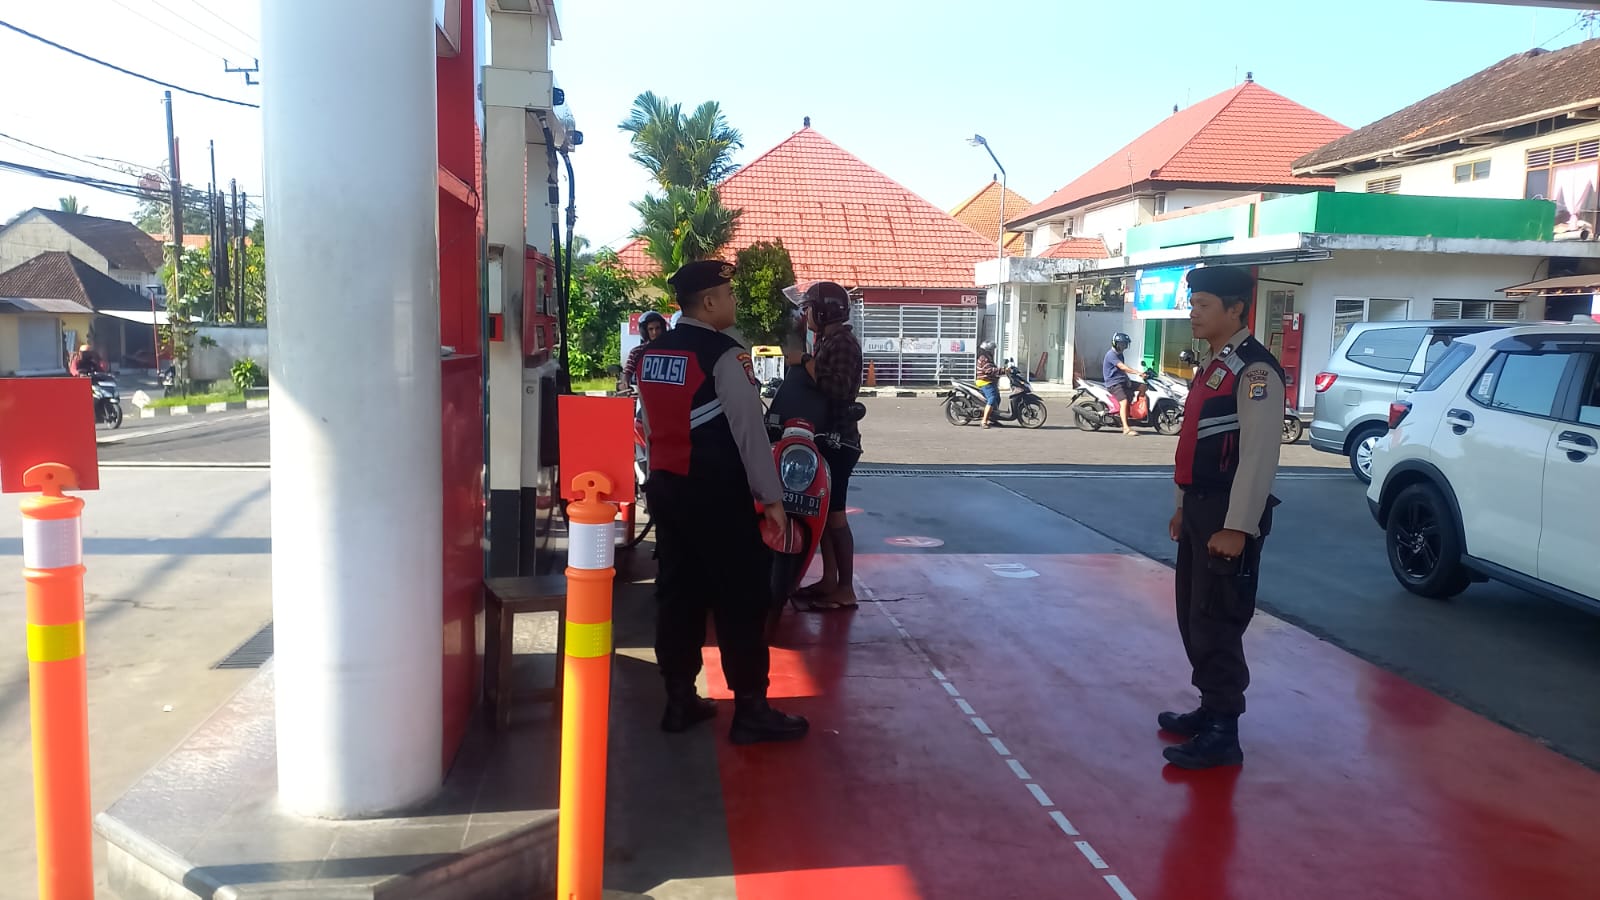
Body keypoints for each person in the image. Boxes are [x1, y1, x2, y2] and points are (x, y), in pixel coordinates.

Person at [637, 259, 810, 745]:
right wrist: (771, 498)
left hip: (667, 491)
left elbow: (648, 423)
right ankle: (751, 709)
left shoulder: (653, 354)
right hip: (717, 496)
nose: (734, 302)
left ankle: (679, 699)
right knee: (741, 598)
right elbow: (749, 431)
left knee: (678, 593)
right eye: (729, 295)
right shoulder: (725, 356)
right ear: (709, 302)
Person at [1161, 265, 1285, 770]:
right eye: (1193, 304)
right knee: (1193, 616)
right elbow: (1194, 443)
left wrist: (1238, 525)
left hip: (1227, 512)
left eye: (1204, 304)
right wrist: (1181, 505)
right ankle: (1211, 706)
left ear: (1236, 309)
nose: (1194, 313)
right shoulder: (1216, 365)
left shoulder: (1255, 372)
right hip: (1200, 508)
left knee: (1217, 619)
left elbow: (1258, 454)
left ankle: (1223, 731)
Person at [790, 281, 863, 612]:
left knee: (835, 517)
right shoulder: (827, 340)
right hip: (823, 437)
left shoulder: (843, 343)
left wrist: (805, 360)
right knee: (821, 515)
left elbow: (838, 388)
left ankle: (845, 588)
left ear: (822, 312)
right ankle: (829, 579)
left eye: (808, 309)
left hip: (839, 440)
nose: (805, 315)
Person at [1103, 332, 1144, 435]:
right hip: (1114, 383)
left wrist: (1128, 379)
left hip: (1122, 381)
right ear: (1115, 344)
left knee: (1143, 387)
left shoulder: (1120, 354)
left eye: (1125, 344)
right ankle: (1125, 428)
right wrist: (1137, 372)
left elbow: (1122, 371)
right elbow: (1122, 367)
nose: (1123, 347)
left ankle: (1135, 410)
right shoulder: (1111, 354)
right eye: (1121, 344)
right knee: (1124, 402)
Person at [621, 310, 668, 390]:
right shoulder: (636, 352)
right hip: (643, 392)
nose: (654, 332)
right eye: (651, 329)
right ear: (645, 331)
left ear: (663, 329)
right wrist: (625, 383)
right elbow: (627, 373)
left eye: (657, 328)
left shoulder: (670, 350)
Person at [974, 341, 1003, 429]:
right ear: (988, 350)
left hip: (990, 382)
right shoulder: (984, 358)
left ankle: (992, 418)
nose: (993, 351)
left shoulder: (988, 358)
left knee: (997, 399)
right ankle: (984, 421)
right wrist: (1003, 370)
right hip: (985, 382)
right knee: (992, 399)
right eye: (992, 349)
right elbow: (989, 370)